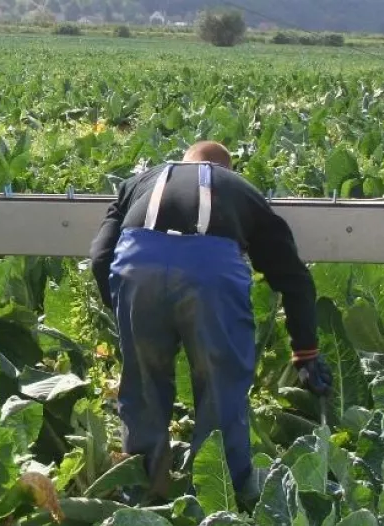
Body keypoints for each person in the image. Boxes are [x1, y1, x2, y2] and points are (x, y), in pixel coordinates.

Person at [89, 140, 333, 505]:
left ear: (184, 159)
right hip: (211, 270)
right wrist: (305, 351)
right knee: (221, 382)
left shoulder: (139, 181)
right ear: (226, 170)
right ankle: (221, 494)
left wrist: (123, 306)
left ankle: (142, 493)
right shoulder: (240, 190)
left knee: (143, 383)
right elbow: (292, 276)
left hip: (138, 267)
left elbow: (99, 256)